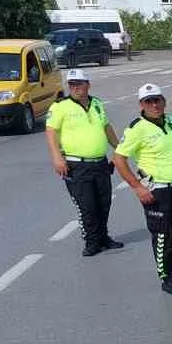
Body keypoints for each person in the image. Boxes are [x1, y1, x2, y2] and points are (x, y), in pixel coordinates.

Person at [110, 83, 172, 295]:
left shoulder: (170, 121)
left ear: (164, 101)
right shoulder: (137, 128)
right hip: (157, 191)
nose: (154, 105)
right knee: (164, 236)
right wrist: (137, 187)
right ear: (141, 105)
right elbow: (119, 159)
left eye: (157, 100)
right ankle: (168, 277)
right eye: (149, 101)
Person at [45, 68, 123, 257]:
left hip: (100, 163)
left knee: (104, 202)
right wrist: (56, 157)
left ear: (88, 84)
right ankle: (92, 241)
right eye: (72, 84)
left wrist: (119, 148)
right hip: (76, 165)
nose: (75, 88)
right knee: (86, 205)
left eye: (79, 84)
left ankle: (103, 237)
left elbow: (106, 127)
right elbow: (51, 131)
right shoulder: (60, 106)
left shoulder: (96, 103)